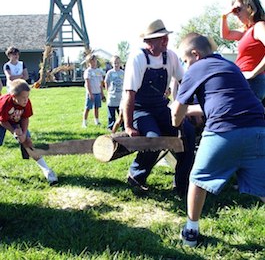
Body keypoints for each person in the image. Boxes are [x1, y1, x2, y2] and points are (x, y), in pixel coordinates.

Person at [171, 32, 265, 247]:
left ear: (195, 54)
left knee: (197, 179)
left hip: (223, 131)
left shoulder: (196, 68)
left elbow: (177, 112)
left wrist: (176, 121)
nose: (186, 66)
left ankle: (191, 233)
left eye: (185, 61)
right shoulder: (230, 67)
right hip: (258, 128)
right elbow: (220, 101)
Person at [123, 19, 195, 194]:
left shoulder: (170, 56)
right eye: (161, 38)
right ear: (149, 42)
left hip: (161, 108)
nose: (166, 41)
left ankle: (181, 184)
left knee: (188, 133)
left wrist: (190, 109)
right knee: (153, 139)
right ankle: (136, 176)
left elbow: (184, 83)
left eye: (166, 37)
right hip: (140, 109)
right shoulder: (138, 57)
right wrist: (129, 126)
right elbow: (129, 95)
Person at [0, 79, 58, 185]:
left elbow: (25, 118)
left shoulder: (26, 102)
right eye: (23, 98)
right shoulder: (4, 103)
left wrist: (23, 133)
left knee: (28, 142)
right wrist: (14, 131)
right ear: (13, 97)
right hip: (2, 121)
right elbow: (2, 121)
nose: (26, 100)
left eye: (27, 97)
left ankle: (47, 171)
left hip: (16, 120)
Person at [220, 0, 265, 101]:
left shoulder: (259, 26)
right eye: (234, 11)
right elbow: (225, 35)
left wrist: (254, 73)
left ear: (250, 7)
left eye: (238, 9)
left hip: (253, 80)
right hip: (244, 79)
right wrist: (224, 16)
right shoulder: (246, 31)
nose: (236, 14)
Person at [82, 54, 105, 127]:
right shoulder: (88, 71)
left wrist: (102, 93)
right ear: (88, 62)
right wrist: (90, 93)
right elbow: (87, 83)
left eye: (94, 61)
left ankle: (97, 121)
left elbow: (101, 83)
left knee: (97, 107)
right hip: (91, 93)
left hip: (98, 92)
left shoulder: (99, 71)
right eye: (91, 61)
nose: (93, 63)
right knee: (88, 108)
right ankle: (84, 122)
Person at [104, 55, 124, 130]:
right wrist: (108, 90)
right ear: (112, 63)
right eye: (115, 63)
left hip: (120, 97)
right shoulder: (110, 73)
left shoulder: (122, 73)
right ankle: (111, 126)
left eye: (118, 63)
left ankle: (123, 125)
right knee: (111, 114)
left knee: (121, 113)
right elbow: (106, 82)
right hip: (112, 96)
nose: (116, 64)